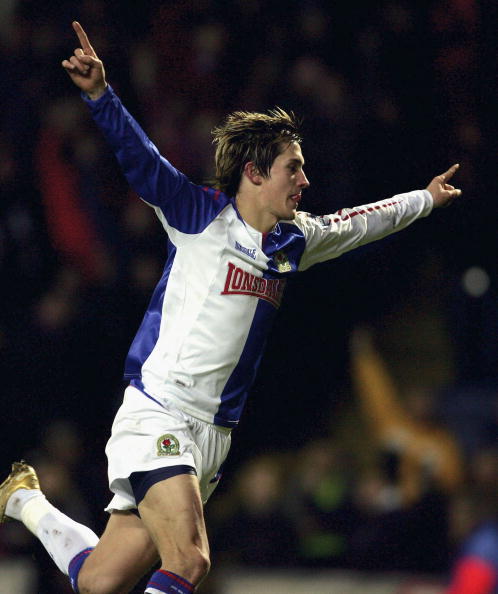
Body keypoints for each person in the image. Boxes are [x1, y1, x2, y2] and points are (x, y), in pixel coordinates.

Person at [0, 21, 462, 594]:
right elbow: (139, 157)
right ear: (255, 173)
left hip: (213, 438)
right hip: (161, 413)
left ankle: (24, 500)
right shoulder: (198, 214)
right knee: (190, 561)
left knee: (99, 582)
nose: (304, 179)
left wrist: (425, 199)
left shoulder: (295, 241)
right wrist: (100, 94)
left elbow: (364, 222)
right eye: (293, 167)